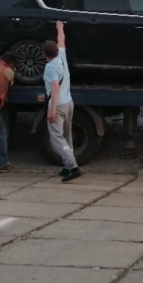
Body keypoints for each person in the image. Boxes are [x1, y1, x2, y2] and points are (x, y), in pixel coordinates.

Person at [43, 20, 81, 182]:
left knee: (56, 138)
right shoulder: (62, 57)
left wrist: (51, 111)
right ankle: (67, 166)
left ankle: (72, 167)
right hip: (69, 103)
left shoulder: (51, 67)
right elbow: (62, 41)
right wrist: (60, 28)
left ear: (45, 55)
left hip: (57, 106)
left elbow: (55, 90)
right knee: (67, 136)